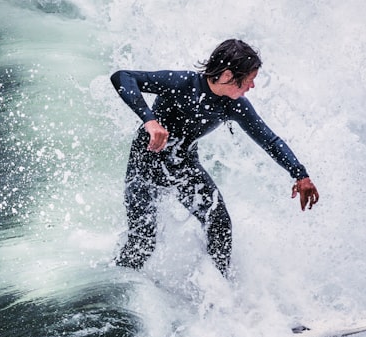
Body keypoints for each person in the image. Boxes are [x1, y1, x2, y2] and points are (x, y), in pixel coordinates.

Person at [110, 39, 318, 277]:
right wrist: (149, 120)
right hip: (145, 166)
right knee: (143, 242)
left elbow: (269, 140)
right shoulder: (181, 83)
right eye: (250, 80)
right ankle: (116, 286)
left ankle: (217, 296)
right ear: (228, 75)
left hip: (183, 167)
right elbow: (122, 77)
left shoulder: (233, 105)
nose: (252, 86)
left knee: (219, 224)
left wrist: (300, 174)